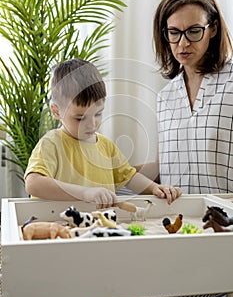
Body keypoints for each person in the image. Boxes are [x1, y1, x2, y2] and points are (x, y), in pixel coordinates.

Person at [137, 0, 233, 297]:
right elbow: (168, 166)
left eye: (193, 31)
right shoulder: (166, 97)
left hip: (224, 233)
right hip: (179, 232)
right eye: (173, 33)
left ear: (213, 28)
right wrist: (115, 173)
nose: (183, 43)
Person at [24, 58, 181, 207]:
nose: (92, 124)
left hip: (99, 228)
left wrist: (155, 188)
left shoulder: (106, 146)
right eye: (80, 118)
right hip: (60, 228)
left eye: (98, 114)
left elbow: (129, 177)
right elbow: (33, 183)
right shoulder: (52, 143)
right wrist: (85, 193)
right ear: (56, 111)